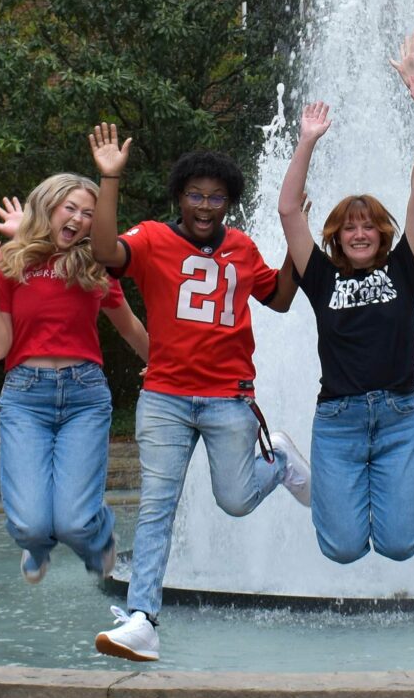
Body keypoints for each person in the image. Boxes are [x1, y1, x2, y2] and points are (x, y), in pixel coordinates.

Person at [87, 124, 308, 662]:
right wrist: (108, 179)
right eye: (194, 195)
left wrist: (298, 235)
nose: (205, 206)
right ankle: (143, 618)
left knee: (234, 501)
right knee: (158, 505)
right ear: (179, 198)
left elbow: (278, 299)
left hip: (229, 397)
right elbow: (103, 249)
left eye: (216, 197)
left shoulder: (241, 247)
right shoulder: (151, 239)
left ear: (228, 203)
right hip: (164, 397)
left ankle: (276, 458)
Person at [275, 38, 414, 565]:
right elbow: (287, 212)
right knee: (343, 548)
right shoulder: (321, 277)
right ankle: (295, 468)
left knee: (399, 544)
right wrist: (308, 141)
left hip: (397, 417)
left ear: (383, 233)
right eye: (350, 227)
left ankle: (364, 496)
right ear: (337, 237)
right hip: (339, 421)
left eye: (369, 225)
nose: (361, 232)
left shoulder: (405, 268)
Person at [0, 168, 147, 589]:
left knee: (76, 522)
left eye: (88, 214)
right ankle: (37, 545)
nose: (79, 219)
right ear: (49, 207)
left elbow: (130, 326)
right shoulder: (11, 264)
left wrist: (167, 366)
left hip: (85, 397)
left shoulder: (95, 266)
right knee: (29, 525)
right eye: (71, 208)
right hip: (25, 398)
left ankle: (98, 539)